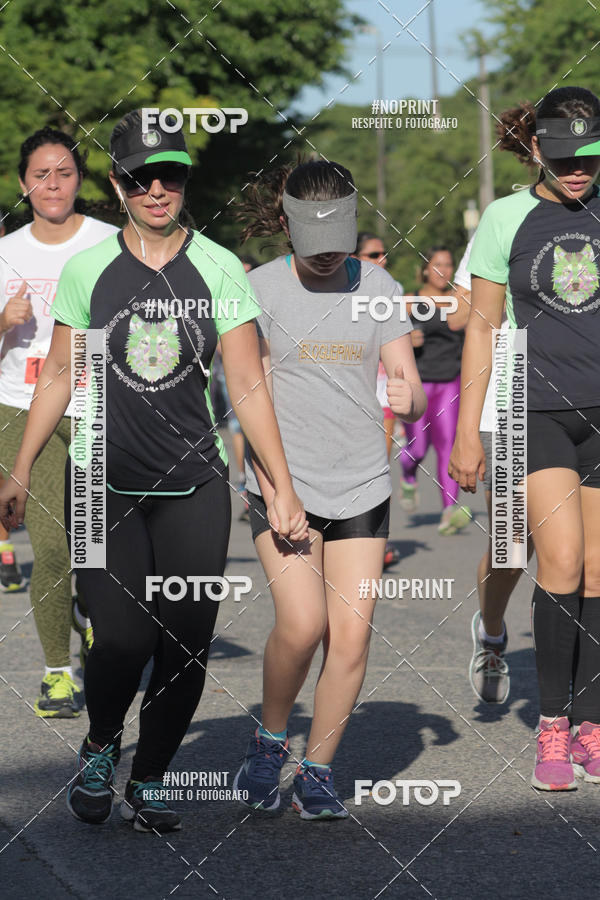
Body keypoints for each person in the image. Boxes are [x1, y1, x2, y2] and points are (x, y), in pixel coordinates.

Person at [0, 109, 307, 833]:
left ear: (184, 181)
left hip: (194, 485)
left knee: (186, 639)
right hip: (100, 479)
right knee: (125, 638)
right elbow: (59, 374)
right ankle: (102, 744)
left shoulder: (220, 267)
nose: (157, 189)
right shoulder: (88, 269)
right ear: (118, 184)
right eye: (142, 178)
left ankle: (153, 776)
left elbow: (249, 387)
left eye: (170, 174)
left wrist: (281, 486)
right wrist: (17, 470)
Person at [233, 159, 426, 819]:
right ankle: (269, 736)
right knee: (303, 623)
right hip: (283, 482)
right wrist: (274, 488)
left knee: (351, 635)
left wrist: (411, 392)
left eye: (336, 249)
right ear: (287, 225)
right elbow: (251, 394)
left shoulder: (379, 284)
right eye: (312, 248)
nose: (324, 261)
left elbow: (409, 379)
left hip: (362, 484)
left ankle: (317, 769)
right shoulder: (257, 288)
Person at [449, 86, 600, 790]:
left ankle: (593, 726)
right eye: (566, 158)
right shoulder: (508, 220)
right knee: (560, 561)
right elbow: (481, 326)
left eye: (591, 158)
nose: (579, 170)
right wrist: (468, 433)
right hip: (533, 411)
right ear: (536, 148)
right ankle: (552, 727)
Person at [0, 127, 117, 711]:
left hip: (96, 405)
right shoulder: (5, 251)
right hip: (22, 408)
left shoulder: (111, 243)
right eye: (41, 174)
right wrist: (4, 320)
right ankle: (57, 672)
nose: (53, 184)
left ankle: (86, 608)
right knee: (48, 547)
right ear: (24, 184)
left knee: (94, 545)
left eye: (65, 173)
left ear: (79, 181)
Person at [453, 236, 534, 703]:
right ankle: (493, 630)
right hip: (509, 401)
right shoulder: (500, 224)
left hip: (583, 399)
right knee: (512, 545)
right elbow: (459, 317)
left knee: (583, 557)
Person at [400, 247, 470, 534]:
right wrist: (407, 339)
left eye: (449, 264)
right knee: (417, 448)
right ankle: (408, 475)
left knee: (446, 447)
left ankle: (448, 511)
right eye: (437, 264)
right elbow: (386, 337)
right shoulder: (409, 301)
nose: (444, 270)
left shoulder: (460, 301)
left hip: (450, 382)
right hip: (419, 383)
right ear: (426, 269)